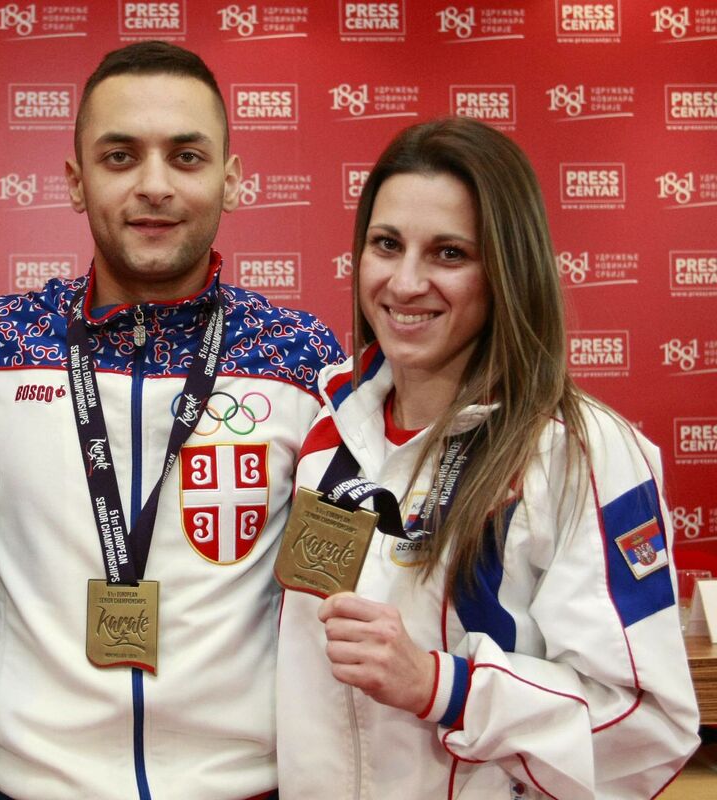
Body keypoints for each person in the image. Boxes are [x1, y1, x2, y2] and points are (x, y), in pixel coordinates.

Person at [0, 42, 343, 800]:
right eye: (120, 157)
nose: (154, 185)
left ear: (231, 179)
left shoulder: (301, 359)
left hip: (248, 787)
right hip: (27, 785)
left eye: (186, 157)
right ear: (76, 181)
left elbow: (350, 585)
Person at [276, 117, 699, 799]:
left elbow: (647, 727)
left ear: (507, 267)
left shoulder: (578, 452)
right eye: (387, 245)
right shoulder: (326, 430)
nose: (405, 282)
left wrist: (444, 687)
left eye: (449, 253)